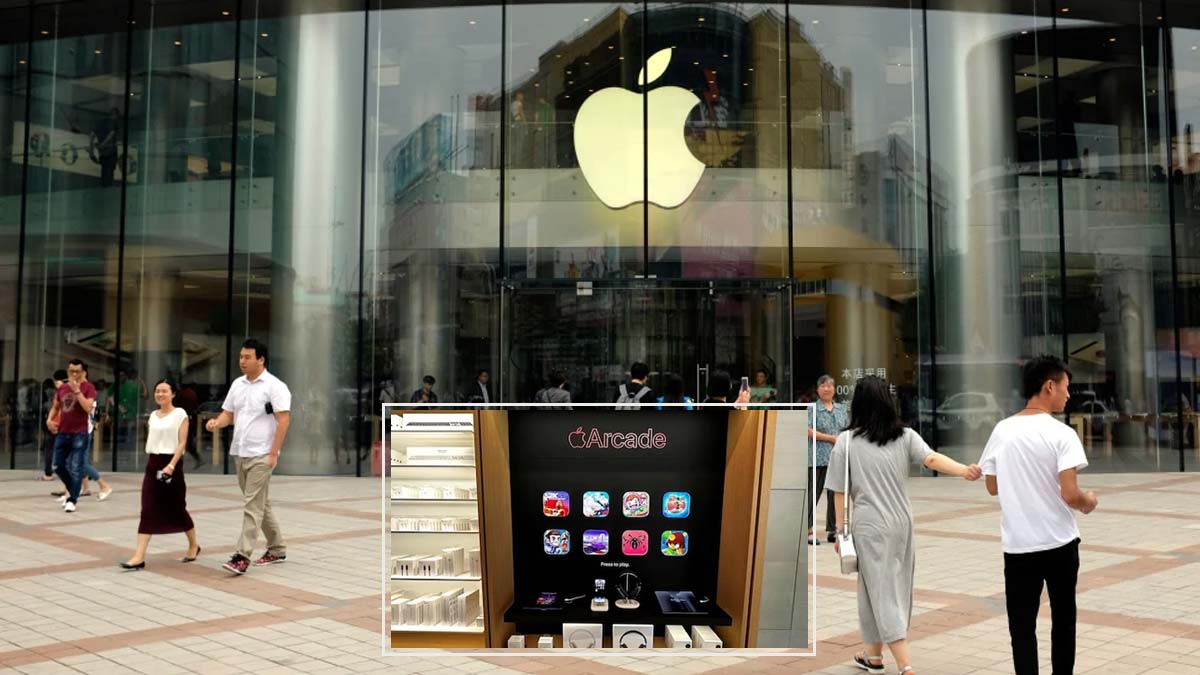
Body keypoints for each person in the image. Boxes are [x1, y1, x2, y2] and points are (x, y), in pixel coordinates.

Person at [827, 376, 981, 675]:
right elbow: (932, 459)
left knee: (882, 589)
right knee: (884, 587)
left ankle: (905, 664)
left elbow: (839, 492)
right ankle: (872, 656)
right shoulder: (905, 436)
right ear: (888, 401)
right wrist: (965, 470)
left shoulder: (846, 442)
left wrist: (840, 531)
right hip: (901, 522)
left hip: (869, 524)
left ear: (857, 403)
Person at [979, 355, 1098, 675]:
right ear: (1049, 386)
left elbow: (992, 486)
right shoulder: (1062, 434)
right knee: (1063, 621)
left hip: (1018, 546)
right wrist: (1088, 500)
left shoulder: (1002, 431)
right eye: (1066, 387)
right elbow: (1071, 494)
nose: (1068, 394)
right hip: (1059, 542)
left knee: (1021, 626)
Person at [206, 339, 292, 575]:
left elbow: (283, 420)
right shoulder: (238, 384)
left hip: (262, 454)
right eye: (241, 357)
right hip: (240, 452)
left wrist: (273, 453)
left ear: (261, 359)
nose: (242, 361)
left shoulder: (275, 386)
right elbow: (228, 414)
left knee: (252, 506)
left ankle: (241, 556)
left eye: (247, 357)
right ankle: (277, 549)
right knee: (261, 504)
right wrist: (217, 422)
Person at [121, 379, 199, 570]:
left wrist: (171, 465)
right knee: (147, 507)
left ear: (173, 394)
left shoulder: (180, 414)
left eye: (164, 391)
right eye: (157, 391)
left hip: (171, 464)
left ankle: (193, 545)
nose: (160, 394)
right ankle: (139, 556)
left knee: (177, 507)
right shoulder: (153, 415)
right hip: (153, 462)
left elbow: (182, 443)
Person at [47, 359, 99, 513]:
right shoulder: (62, 389)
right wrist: (49, 420)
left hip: (80, 434)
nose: (74, 374)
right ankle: (74, 490)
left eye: (77, 371)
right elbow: (56, 407)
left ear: (84, 372)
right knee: (57, 465)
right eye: (71, 371)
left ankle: (72, 499)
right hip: (63, 432)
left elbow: (88, 408)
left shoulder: (88, 388)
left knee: (76, 468)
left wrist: (77, 391)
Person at [807, 374, 847, 545]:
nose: (826, 388)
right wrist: (831, 438)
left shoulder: (841, 409)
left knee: (835, 493)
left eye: (829, 385)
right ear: (818, 390)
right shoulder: (812, 409)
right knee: (812, 494)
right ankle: (807, 531)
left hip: (837, 457)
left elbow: (847, 429)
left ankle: (832, 530)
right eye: (823, 385)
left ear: (834, 389)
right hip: (817, 458)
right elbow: (808, 430)